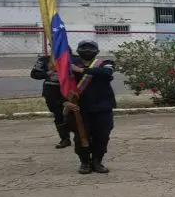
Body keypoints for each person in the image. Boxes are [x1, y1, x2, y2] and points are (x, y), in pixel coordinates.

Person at [62, 40, 116, 174]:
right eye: (84, 48)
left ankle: (97, 161)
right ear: (78, 51)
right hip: (79, 108)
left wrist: (82, 70)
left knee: (102, 135)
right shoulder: (69, 65)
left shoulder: (105, 63)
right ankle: (85, 162)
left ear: (97, 52)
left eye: (91, 48)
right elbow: (62, 85)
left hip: (102, 107)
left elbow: (106, 73)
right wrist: (64, 102)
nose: (87, 51)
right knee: (81, 136)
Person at [30, 54, 71, 149]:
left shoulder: (72, 59)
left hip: (70, 90)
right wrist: (49, 72)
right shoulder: (45, 60)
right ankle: (65, 139)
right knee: (58, 115)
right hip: (52, 92)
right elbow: (34, 74)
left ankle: (84, 137)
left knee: (76, 113)